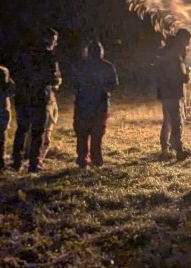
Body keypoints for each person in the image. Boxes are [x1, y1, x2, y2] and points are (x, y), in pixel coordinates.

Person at [12, 28, 62, 172]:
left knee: (22, 129)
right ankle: (34, 163)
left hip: (22, 97)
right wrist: (57, 81)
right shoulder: (49, 57)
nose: (55, 44)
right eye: (54, 41)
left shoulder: (24, 55)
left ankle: (17, 162)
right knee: (37, 131)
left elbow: (16, 74)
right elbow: (53, 78)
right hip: (39, 97)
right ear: (50, 41)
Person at [73, 40, 119, 168]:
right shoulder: (107, 66)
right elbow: (113, 85)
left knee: (82, 133)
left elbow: (74, 83)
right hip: (100, 105)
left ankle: (83, 159)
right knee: (97, 134)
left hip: (83, 104)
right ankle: (96, 160)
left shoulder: (81, 65)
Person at [158, 29, 191, 161]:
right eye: (187, 43)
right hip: (172, 93)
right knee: (176, 121)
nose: (187, 46)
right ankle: (178, 150)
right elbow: (178, 77)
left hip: (166, 92)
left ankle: (167, 149)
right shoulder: (174, 56)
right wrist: (187, 74)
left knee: (168, 121)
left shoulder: (168, 52)